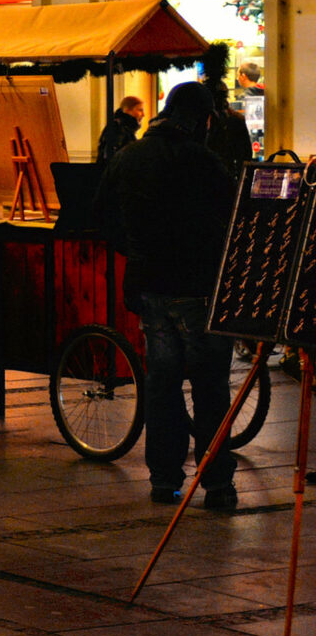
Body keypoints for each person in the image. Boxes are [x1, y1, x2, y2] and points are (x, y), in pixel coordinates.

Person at [97, 83, 239, 508]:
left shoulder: (129, 156)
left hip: (150, 289)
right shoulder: (203, 161)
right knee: (210, 387)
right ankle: (216, 485)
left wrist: (137, 252)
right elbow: (230, 219)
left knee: (162, 385)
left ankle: (163, 479)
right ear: (201, 119)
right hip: (197, 289)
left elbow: (101, 216)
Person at [205, 77, 255, 175]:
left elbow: (245, 155)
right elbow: (245, 155)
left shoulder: (234, 119)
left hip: (225, 171)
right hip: (227, 171)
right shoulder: (235, 119)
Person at [97, 95, 146, 163]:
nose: (143, 114)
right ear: (127, 110)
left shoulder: (122, 127)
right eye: (140, 110)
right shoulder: (118, 128)